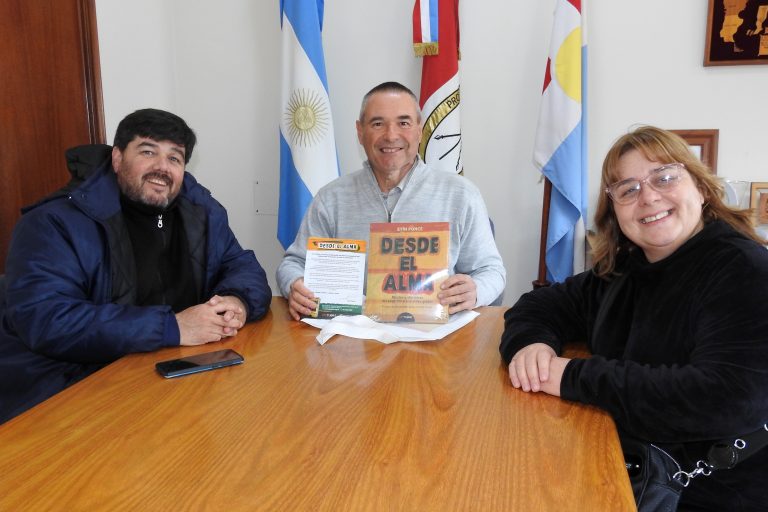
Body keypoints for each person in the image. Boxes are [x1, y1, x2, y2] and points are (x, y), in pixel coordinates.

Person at [500, 126, 768, 510]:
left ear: (702, 188)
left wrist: (572, 377)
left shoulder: (744, 269)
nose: (648, 197)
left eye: (664, 177)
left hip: (714, 491)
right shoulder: (625, 270)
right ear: (615, 211)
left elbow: (727, 398)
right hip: (626, 465)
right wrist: (532, 344)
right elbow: (539, 306)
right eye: (628, 189)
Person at [0, 108, 272, 423]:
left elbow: (242, 265)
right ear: (117, 159)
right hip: (71, 388)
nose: (162, 168)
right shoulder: (53, 224)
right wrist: (173, 327)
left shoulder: (202, 212)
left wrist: (237, 299)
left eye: (175, 158)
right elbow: (47, 320)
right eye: (148, 151)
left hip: (167, 378)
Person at [277, 81, 505, 320]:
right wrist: (295, 284)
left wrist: (475, 291)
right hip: (353, 340)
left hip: (436, 338)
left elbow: (492, 271)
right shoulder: (331, 199)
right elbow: (294, 262)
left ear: (419, 130)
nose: (391, 135)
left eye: (403, 123)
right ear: (360, 131)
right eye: (378, 124)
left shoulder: (461, 195)